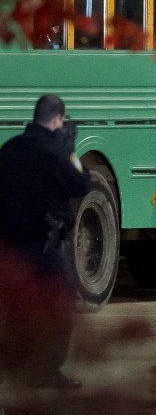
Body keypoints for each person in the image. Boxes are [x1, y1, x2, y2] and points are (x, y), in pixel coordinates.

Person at [0, 94, 91, 389]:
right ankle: (48, 370)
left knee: (16, 307)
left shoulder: (10, 148)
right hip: (43, 245)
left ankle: (17, 365)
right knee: (61, 302)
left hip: (10, 244)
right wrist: (72, 152)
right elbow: (81, 185)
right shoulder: (56, 152)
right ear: (58, 119)